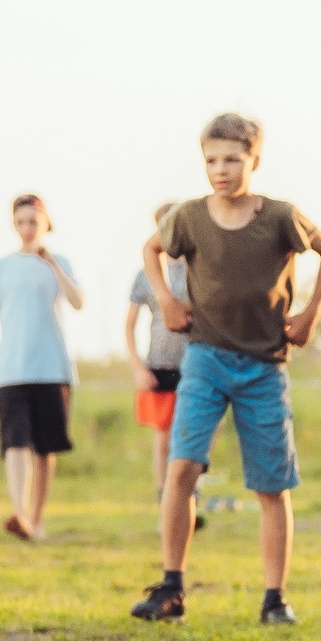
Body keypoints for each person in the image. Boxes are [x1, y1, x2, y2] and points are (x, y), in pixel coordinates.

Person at [130, 112, 321, 626]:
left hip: (264, 366)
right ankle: (172, 586)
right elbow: (151, 249)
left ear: (255, 160)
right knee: (181, 469)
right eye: (210, 160)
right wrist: (164, 298)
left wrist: (310, 313)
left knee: (271, 485)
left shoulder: (280, 217)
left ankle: (275, 599)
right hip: (204, 358)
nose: (219, 170)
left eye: (231, 159)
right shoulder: (189, 216)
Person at [0, 193, 84, 541]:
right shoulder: (1, 268)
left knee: (45, 448)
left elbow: (78, 302)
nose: (27, 228)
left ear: (45, 222)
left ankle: (36, 519)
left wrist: (51, 263)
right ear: (14, 225)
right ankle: (19, 513)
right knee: (15, 442)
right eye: (20, 222)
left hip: (52, 369)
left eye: (33, 221)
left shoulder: (60, 261)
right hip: (10, 371)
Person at [124, 201, 202, 533]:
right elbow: (129, 325)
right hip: (160, 363)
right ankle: (165, 500)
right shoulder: (145, 274)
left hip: (197, 362)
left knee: (196, 434)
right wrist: (138, 367)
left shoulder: (200, 268)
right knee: (164, 437)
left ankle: (191, 496)